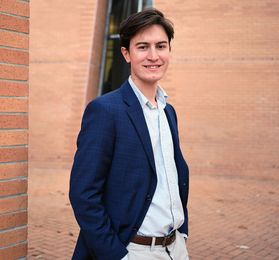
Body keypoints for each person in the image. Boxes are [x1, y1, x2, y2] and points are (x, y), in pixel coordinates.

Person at [69, 8, 189, 260]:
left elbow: (173, 178)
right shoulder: (104, 110)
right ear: (126, 53)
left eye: (161, 46)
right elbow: (84, 194)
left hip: (175, 249)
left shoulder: (169, 111)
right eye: (143, 47)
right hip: (131, 251)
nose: (154, 56)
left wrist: (182, 234)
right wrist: (116, 255)